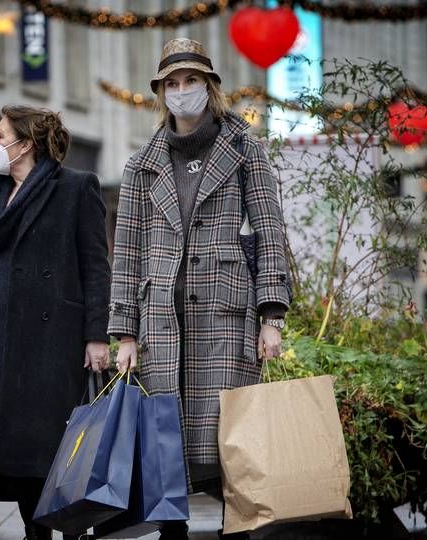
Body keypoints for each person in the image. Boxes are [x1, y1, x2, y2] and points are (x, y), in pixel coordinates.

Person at [108, 39, 291, 540]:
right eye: (172, 83)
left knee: (232, 438)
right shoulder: (141, 165)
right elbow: (126, 253)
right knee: (166, 441)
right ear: (160, 92)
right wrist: (124, 331)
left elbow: (270, 229)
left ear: (209, 88)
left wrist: (271, 316)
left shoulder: (243, 147)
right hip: (162, 320)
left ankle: (241, 531)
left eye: (191, 81)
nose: (181, 91)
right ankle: (172, 534)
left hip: (226, 315)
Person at [0, 105, 111, 540]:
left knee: (52, 452)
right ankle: (35, 532)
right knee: (16, 454)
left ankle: (71, 530)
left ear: (27, 143)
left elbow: (96, 265)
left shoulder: (76, 187)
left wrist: (97, 334)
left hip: (51, 343)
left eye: (1, 136)